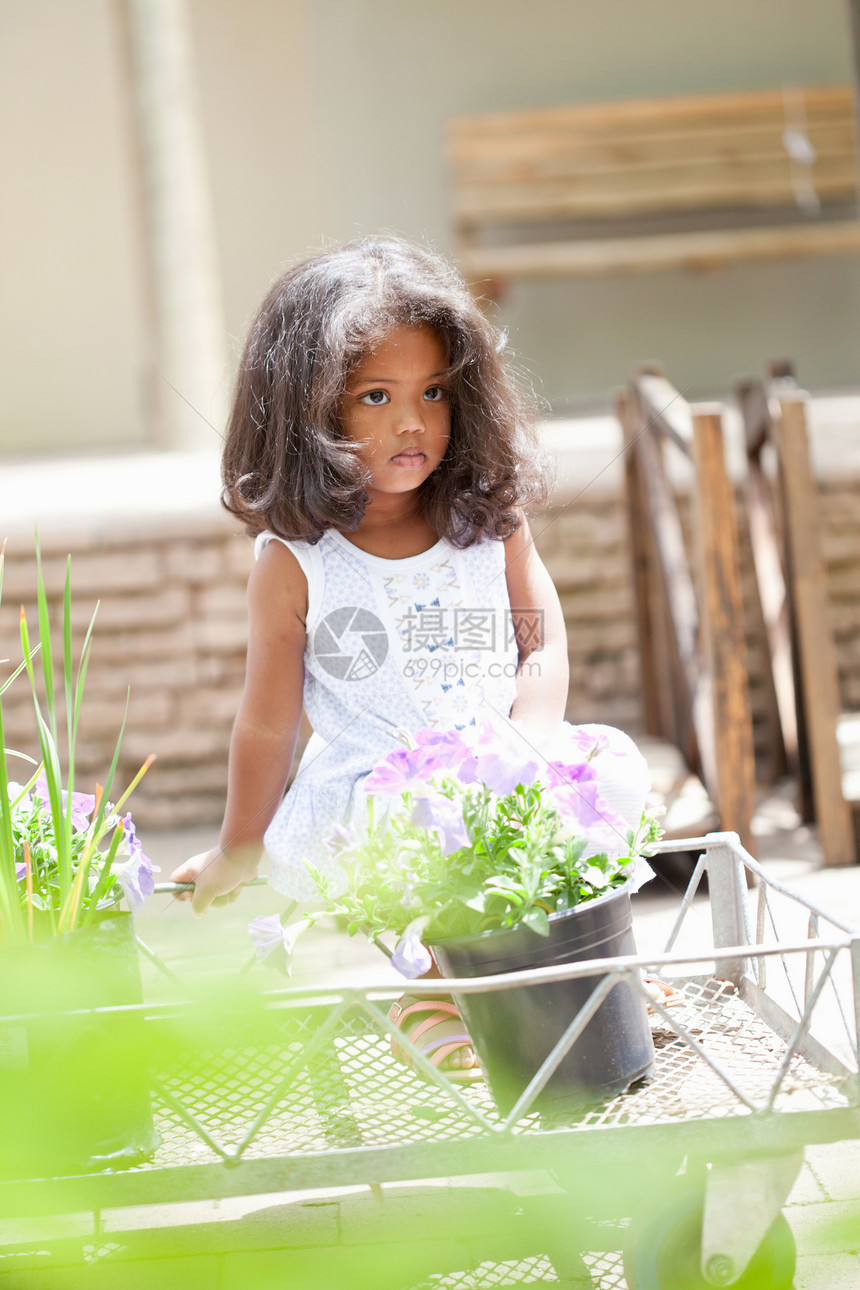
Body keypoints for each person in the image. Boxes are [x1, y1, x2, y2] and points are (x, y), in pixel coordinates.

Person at [170, 235, 570, 1075]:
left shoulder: (484, 517)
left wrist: (530, 737)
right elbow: (266, 722)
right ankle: (427, 986)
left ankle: (578, 975)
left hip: (501, 754)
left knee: (580, 794)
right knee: (418, 820)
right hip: (376, 785)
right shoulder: (300, 562)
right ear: (309, 412)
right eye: (376, 396)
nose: (413, 421)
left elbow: (540, 637)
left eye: (433, 391)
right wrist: (239, 846)